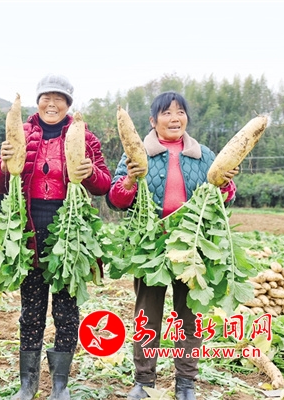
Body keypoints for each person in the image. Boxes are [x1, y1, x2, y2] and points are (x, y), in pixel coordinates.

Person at [106, 91, 238, 400]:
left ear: (187, 118)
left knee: (188, 316)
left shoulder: (204, 155)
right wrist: (129, 181)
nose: (174, 118)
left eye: (180, 112)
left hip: (192, 243)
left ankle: (186, 383)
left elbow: (223, 200)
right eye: (166, 112)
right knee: (147, 315)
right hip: (151, 244)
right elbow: (115, 200)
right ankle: (144, 381)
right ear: (153, 121)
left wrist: (226, 185)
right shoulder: (136, 153)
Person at [0, 74, 111, 400]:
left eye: (60, 98)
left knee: (66, 312)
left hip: (69, 236)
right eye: (47, 97)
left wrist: (91, 173)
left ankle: (60, 385)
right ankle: (27, 384)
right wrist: (3, 163)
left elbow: (104, 184)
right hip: (29, 234)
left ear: (68, 104)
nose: (52, 103)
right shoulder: (22, 132)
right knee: (31, 311)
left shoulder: (84, 136)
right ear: (38, 101)